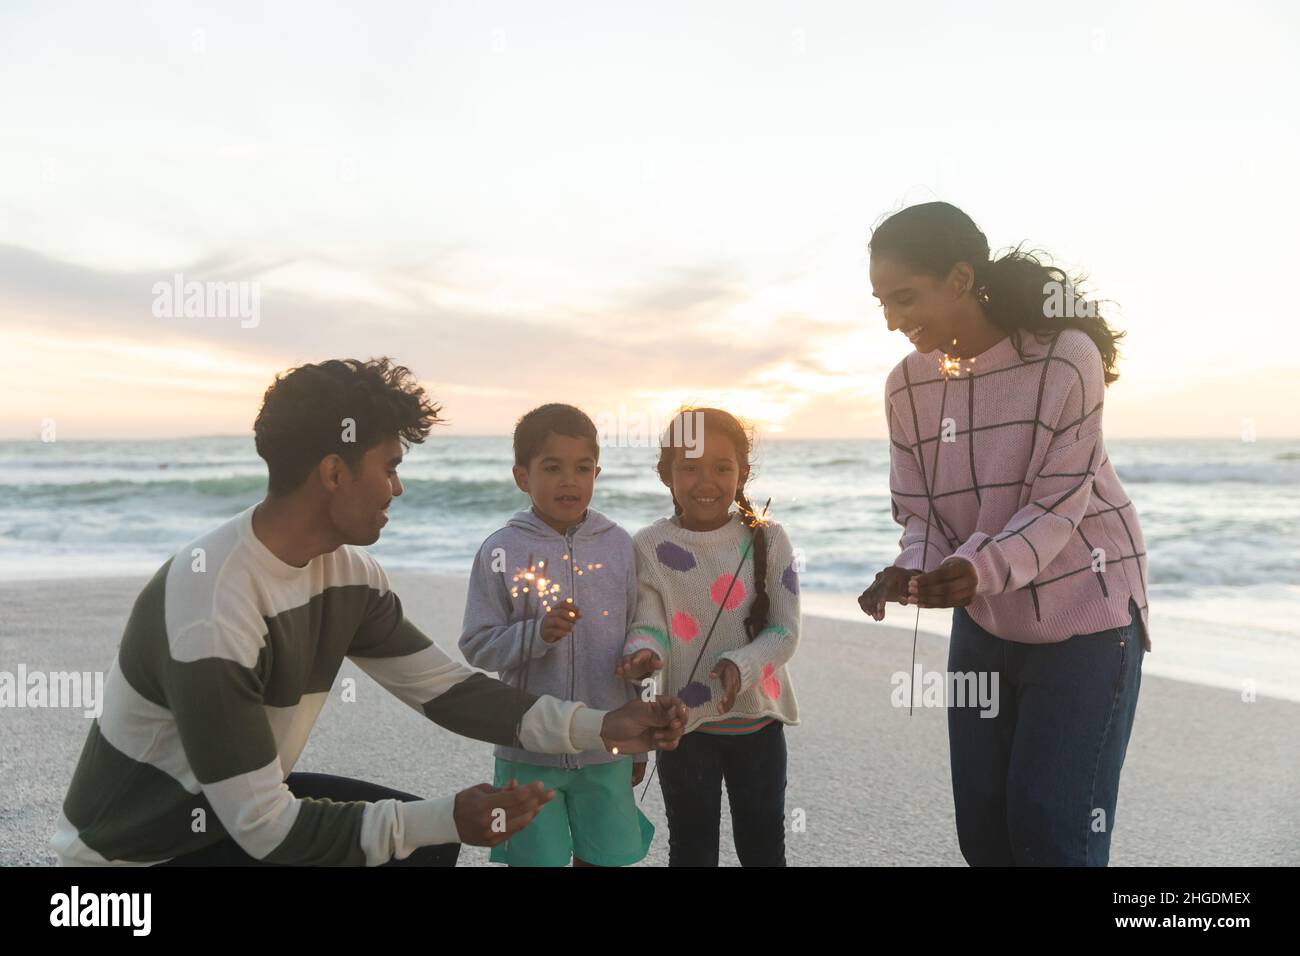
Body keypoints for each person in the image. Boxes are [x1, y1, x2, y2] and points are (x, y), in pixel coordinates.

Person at [51, 358, 686, 866]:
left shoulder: (348, 576)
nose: (399, 488)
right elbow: (268, 830)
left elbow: (451, 693)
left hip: (233, 813)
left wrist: (606, 726)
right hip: (134, 863)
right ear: (333, 471)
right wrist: (451, 815)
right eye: (389, 467)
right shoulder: (213, 606)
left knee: (425, 844)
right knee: (424, 832)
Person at [857, 201, 1149, 866]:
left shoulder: (1063, 362)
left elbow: (1055, 507)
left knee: (1051, 827)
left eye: (906, 297)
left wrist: (974, 571)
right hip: (987, 617)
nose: (894, 320)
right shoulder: (906, 386)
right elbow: (924, 511)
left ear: (960, 279)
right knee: (985, 831)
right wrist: (913, 569)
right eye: (881, 302)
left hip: (1088, 614)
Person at [459, 403, 655, 867]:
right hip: (528, 746)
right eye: (552, 467)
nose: (569, 480)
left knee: (606, 857)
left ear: (597, 473)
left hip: (607, 745)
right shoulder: (501, 550)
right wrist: (537, 634)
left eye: (582, 468)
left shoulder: (619, 545)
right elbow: (477, 644)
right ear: (521, 476)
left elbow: (637, 633)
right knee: (535, 860)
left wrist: (640, 740)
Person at [618, 407, 800, 866]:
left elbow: (785, 631)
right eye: (690, 467)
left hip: (758, 725)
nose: (706, 481)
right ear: (667, 475)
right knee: (692, 850)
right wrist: (643, 653)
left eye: (722, 467)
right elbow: (649, 622)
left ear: (741, 474)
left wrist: (742, 664)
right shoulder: (649, 546)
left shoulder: (769, 538)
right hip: (684, 727)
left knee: (763, 849)